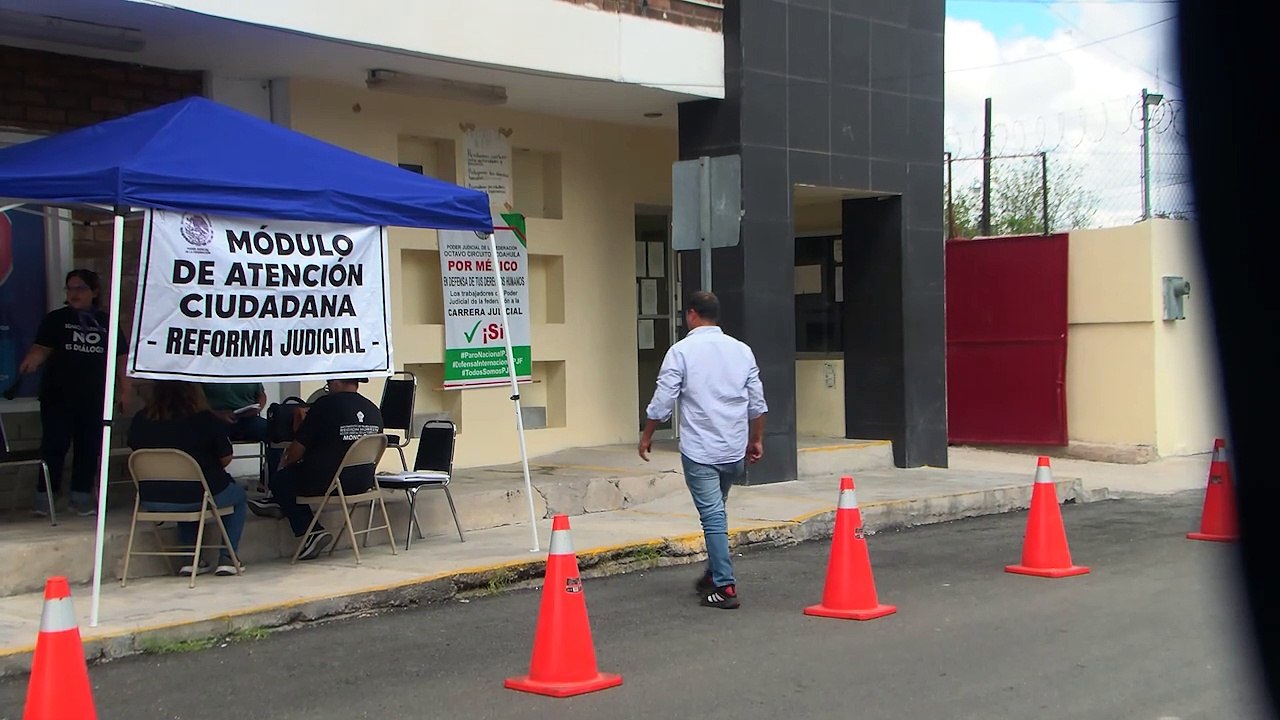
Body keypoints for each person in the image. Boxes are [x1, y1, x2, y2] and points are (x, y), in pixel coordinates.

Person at [639, 290, 767, 610]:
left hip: (701, 452)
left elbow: (663, 399)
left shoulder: (681, 351)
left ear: (691, 314)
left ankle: (725, 586)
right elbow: (757, 403)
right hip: (734, 450)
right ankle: (713, 573)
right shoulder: (742, 351)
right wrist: (756, 439)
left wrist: (647, 435)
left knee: (712, 517)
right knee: (717, 513)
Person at [18, 268, 132, 517]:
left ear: (95, 292)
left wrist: (125, 390)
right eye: (70, 288)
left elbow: (121, 357)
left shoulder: (106, 322)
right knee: (54, 445)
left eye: (80, 288)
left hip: (94, 397)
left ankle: (81, 496)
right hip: (58, 396)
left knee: (89, 447)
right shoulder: (56, 319)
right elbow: (42, 347)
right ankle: (45, 496)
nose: (74, 293)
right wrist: (31, 360)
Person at [248, 378, 383, 561]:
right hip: (363, 481)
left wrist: (286, 460)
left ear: (336, 381)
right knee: (290, 483)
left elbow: (298, 448)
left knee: (281, 480)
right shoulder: (373, 408)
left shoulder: (325, 405)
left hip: (331, 482)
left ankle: (311, 532)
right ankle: (276, 503)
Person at [127, 381, 247, 577]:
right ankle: (228, 558)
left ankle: (191, 560)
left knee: (186, 490)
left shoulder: (141, 419)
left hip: (153, 497)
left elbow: (134, 448)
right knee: (238, 495)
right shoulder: (205, 419)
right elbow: (225, 458)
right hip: (197, 494)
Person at [202, 381, 281, 487]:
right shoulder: (207, 374)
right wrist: (218, 414)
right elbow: (197, 401)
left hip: (248, 418)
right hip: (216, 419)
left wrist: (258, 408)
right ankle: (213, 481)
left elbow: (261, 395)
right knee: (206, 435)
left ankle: (271, 481)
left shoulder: (248, 373)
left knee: (276, 434)